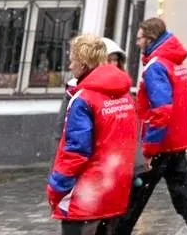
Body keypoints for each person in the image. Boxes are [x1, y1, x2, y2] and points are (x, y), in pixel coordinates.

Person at [112, 18, 187, 235]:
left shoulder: (156, 66)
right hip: (177, 143)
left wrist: (148, 149)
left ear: (150, 38)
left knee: (134, 200)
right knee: (186, 201)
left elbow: (162, 110)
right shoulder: (175, 63)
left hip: (159, 146)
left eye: (139, 38)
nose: (137, 43)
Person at [48, 34, 137, 235]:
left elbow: (76, 152)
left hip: (85, 197)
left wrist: (56, 187)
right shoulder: (124, 95)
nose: (70, 66)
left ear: (85, 64)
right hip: (113, 190)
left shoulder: (84, 98)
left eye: (73, 60)